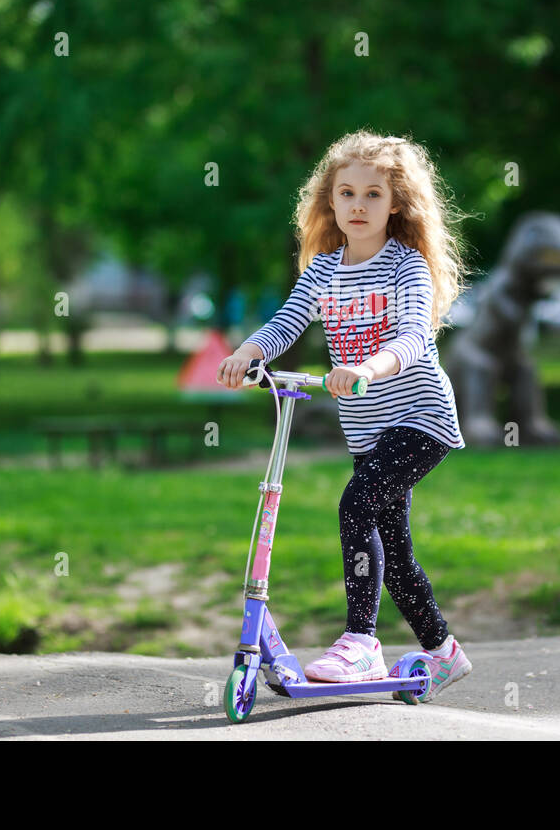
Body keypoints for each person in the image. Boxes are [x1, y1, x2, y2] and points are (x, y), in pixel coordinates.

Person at [215, 130, 474, 702]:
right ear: (328, 202)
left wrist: (367, 367)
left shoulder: (406, 268)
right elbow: (287, 321)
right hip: (367, 428)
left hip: (419, 419)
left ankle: (361, 641)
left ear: (397, 203)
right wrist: (247, 354)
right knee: (395, 547)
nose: (359, 205)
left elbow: (411, 335)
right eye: (347, 193)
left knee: (356, 503)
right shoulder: (325, 270)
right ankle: (443, 651)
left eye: (373, 195)